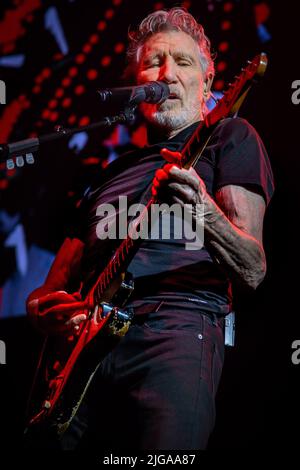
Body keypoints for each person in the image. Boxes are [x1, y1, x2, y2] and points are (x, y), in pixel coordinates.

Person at [26, 7, 274, 450]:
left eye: (182, 62)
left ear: (209, 79)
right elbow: (48, 292)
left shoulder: (229, 137)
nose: (168, 74)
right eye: (153, 63)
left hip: (176, 330)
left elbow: (253, 268)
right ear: (137, 85)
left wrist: (203, 210)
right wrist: (47, 312)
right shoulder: (105, 176)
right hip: (86, 355)